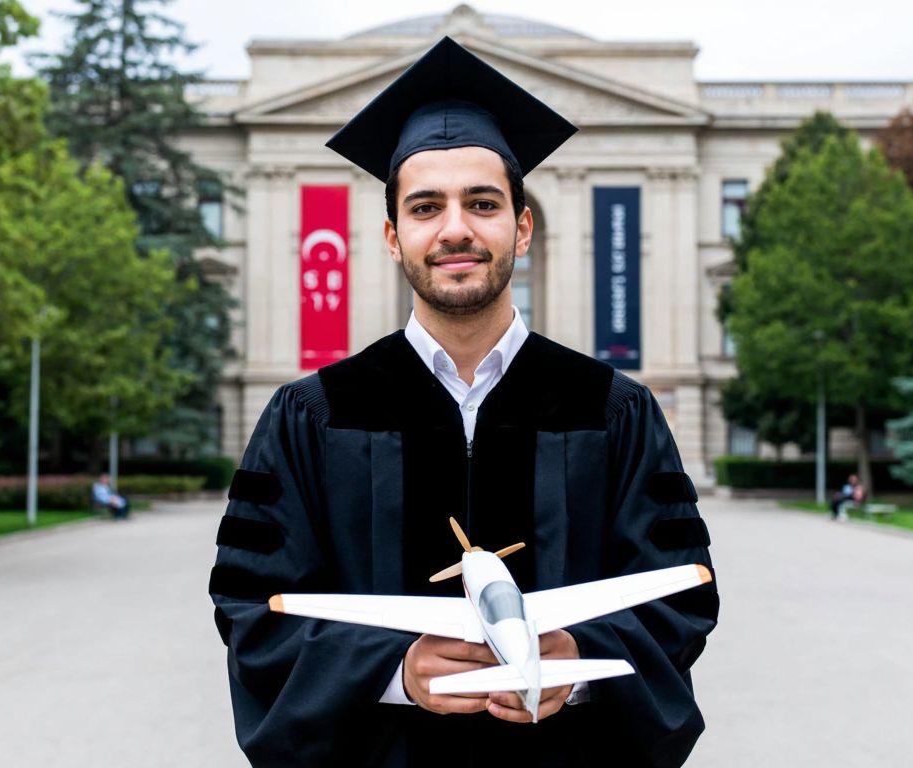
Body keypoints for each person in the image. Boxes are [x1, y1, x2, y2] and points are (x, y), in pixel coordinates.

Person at [209, 37, 719, 767]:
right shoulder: (314, 415)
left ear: (522, 225)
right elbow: (251, 604)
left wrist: (576, 663)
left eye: (482, 203)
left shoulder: (613, 410)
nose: (455, 229)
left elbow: (682, 597)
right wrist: (392, 672)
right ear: (393, 236)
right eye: (425, 207)